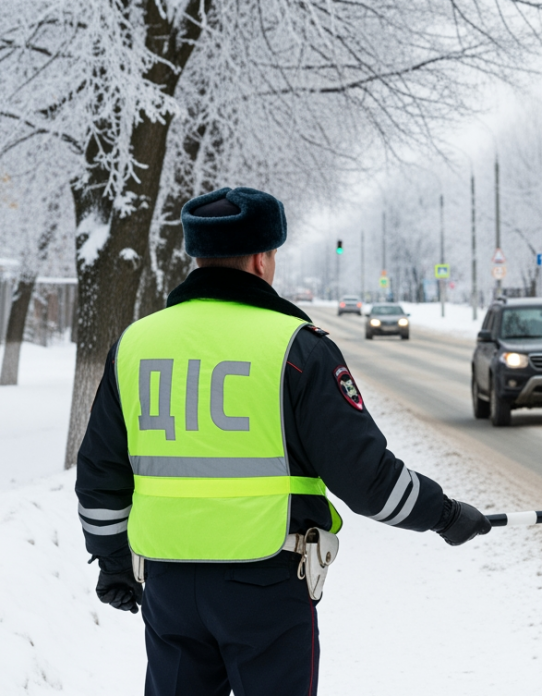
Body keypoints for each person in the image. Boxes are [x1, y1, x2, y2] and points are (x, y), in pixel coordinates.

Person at [75, 187, 492, 695]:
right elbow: (368, 480)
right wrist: (444, 514)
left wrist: (112, 558)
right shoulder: (296, 348)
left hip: (168, 582)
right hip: (267, 583)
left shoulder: (136, 344)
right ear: (260, 260)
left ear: (199, 256)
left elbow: (99, 471)